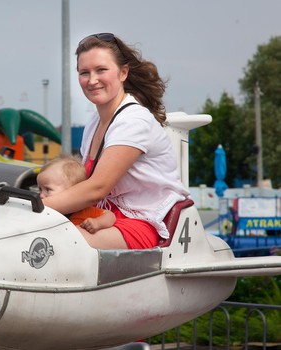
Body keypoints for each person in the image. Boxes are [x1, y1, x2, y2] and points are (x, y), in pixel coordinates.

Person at [42, 33, 190, 250]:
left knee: (58, 242)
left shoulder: (134, 120)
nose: (92, 80)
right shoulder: (95, 123)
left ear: (123, 73)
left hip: (141, 222)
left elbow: (97, 188)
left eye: (101, 70)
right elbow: (82, 184)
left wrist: (38, 208)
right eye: (84, 73)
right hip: (103, 217)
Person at [37, 154, 116, 244]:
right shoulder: (47, 212)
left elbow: (110, 216)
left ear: (72, 190)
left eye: (48, 189)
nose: (41, 195)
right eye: (40, 189)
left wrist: (97, 223)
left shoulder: (84, 211)